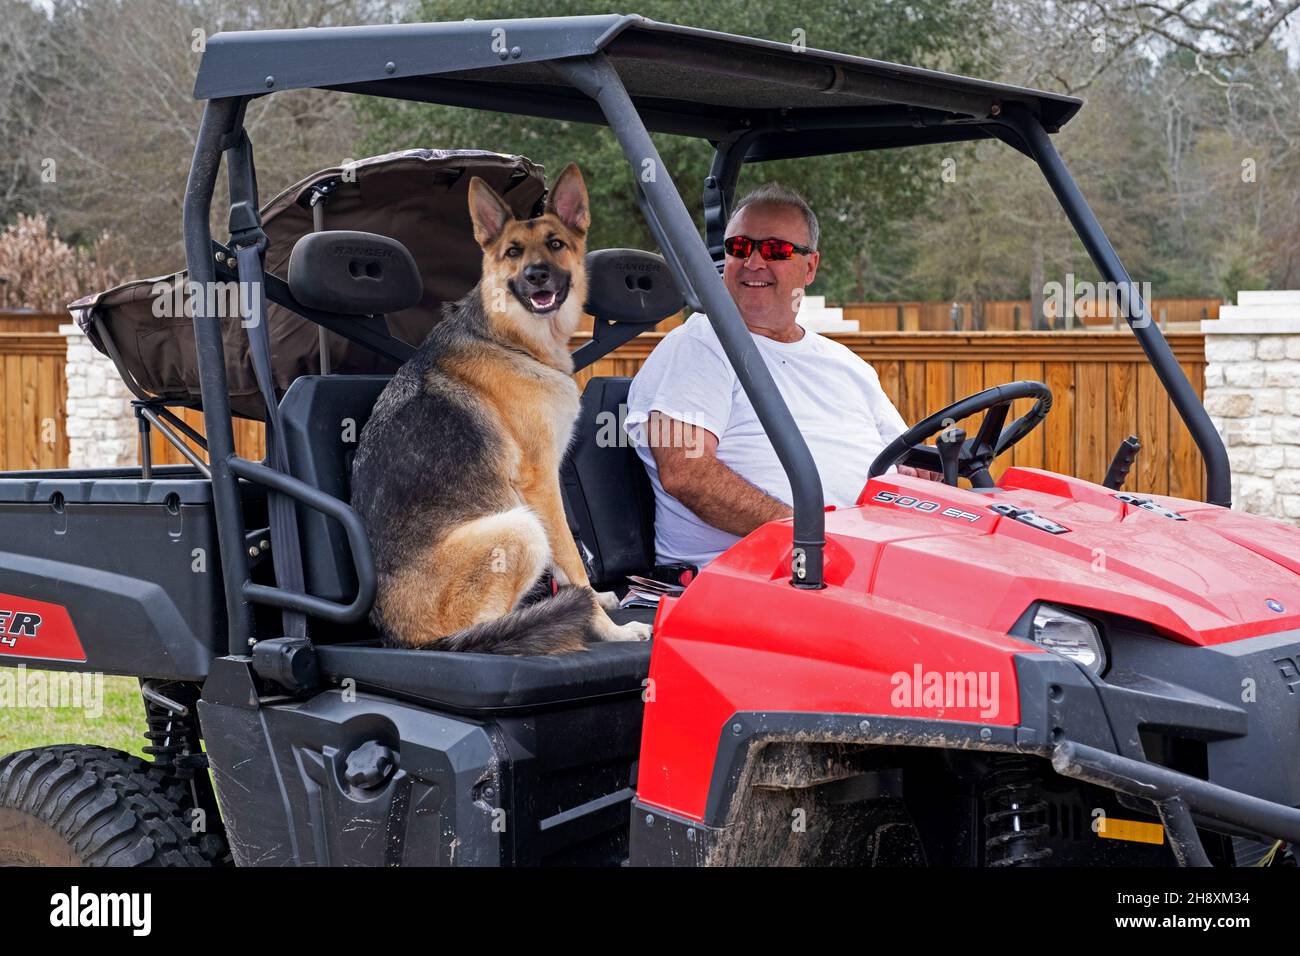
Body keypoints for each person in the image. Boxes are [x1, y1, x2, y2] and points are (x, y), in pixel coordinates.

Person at [624, 182, 937, 570]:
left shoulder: (847, 366)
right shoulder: (698, 345)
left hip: (866, 560)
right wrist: (817, 537)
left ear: (810, 266)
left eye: (774, 250)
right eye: (740, 248)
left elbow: (908, 464)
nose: (754, 262)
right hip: (753, 575)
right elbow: (687, 474)